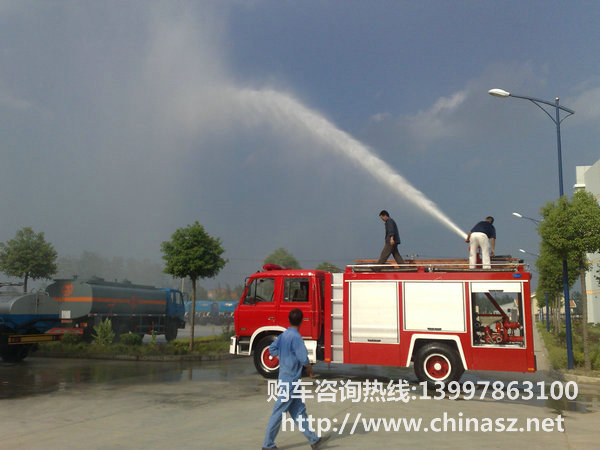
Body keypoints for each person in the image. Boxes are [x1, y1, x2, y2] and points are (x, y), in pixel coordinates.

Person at [262, 308, 329, 450]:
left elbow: (272, 349)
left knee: (298, 411)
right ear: (301, 321)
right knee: (278, 411)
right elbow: (304, 358)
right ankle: (267, 445)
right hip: (291, 381)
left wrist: (283, 358)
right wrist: (310, 369)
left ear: (289, 320)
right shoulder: (296, 337)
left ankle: (314, 439)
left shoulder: (283, 335)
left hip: (287, 378)